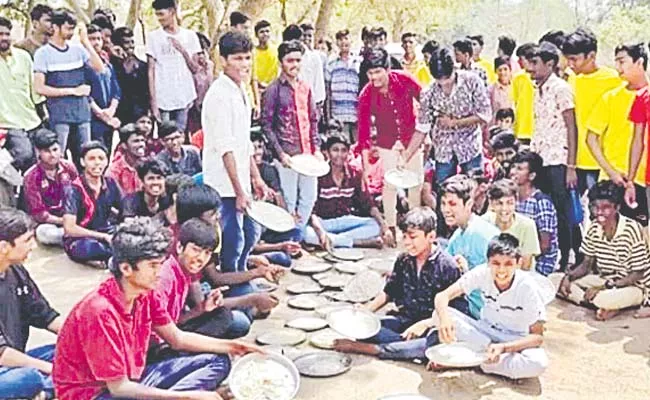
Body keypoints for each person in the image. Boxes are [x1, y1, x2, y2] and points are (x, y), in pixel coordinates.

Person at [52, 217, 261, 400]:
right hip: (96, 394)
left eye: (160, 264)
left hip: (132, 376)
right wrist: (185, 396)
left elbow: (177, 338)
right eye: (153, 266)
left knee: (218, 360)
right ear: (126, 268)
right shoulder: (99, 311)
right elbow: (118, 388)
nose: (159, 272)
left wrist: (235, 347)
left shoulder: (145, 293)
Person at [333, 207, 467, 358]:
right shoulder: (404, 260)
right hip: (405, 319)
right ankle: (397, 345)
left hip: (432, 327)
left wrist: (426, 324)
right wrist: (367, 310)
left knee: (430, 345)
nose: (407, 242)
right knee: (366, 326)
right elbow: (389, 292)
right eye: (404, 237)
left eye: (413, 237)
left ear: (431, 236)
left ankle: (368, 348)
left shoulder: (447, 266)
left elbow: (458, 312)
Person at [428, 233, 549, 380]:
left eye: (508, 264)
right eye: (496, 263)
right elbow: (442, 296)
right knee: (438, 315)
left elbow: (537, 337)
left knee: (538, 363)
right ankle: (487, 360)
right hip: (484, 333)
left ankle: (473, 361)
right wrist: (445, 321)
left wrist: (504, 348)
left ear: (518, 263)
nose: (501, 270)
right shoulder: (482, 273)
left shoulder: (527, 287)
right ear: (488, 262)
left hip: (514, 340)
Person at [202, 31, 271, 275]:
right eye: (238, 59)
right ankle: (233, 284)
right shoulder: (219, 95)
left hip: (241, 180)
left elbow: (244, 144)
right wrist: (239, 191)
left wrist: (256, 178)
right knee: (233, 239)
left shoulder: (241, 90)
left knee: (251, 233)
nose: (244, 64)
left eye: (247, 58)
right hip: (223, 184)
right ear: (223, 60)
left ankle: (242, 276)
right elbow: (226, 149)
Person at [151, 218, 249, 364]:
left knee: (224, 315)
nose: (201, 258)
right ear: (179, 247)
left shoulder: (184, 272)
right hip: (158, 344)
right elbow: (158, 331)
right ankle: (175, 358)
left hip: (171, 330)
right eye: (196, 250)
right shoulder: (165, 277)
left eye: (207, 253)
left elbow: (174, 319)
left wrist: (202, 308)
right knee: (220, 359)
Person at [553, 180, 650, 320]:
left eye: (606, 207)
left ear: (617, 208)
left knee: (603, 298)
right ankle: (603, 306)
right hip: (605, 279)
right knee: (555, 280)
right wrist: (569, 277)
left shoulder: (631, 229)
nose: (599, 212)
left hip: (633, 286)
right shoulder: (594, 227)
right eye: (595, 207)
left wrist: (607, 287)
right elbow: (586, 265)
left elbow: (638, 274)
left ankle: (601, 303)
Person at [357, 48, 423, 236]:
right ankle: (391, 226)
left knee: (415, 183)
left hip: (412, 140)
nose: (374, 77)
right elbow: (363, 132)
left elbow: (425, 101)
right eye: (370, 73)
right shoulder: (366, 94)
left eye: (378, 72)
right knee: (389, 185)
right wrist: (365, 164)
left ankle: (415, 226)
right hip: (387, 143)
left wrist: (426, 134)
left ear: (387, 69)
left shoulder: (405, 79)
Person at [526, 41, 579, 272]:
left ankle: (570, 258)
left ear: (550, 64)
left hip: (558, 160)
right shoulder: (538, 88)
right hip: (541, 159)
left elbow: (571, 127)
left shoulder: (561, 88)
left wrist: (571, 166)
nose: (530, 68)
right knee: (546, 210)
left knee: (563, 212)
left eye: (535, 63)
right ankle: (553, 257)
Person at [0, 208, 63, 400]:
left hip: (15, 362)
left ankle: (44, 392)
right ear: (4, 246)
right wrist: (52, 370)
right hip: (7, 369)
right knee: (30, 378)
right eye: (27, 240)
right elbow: (1, 354)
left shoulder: (16, 271)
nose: (34, 246)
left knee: (68, 350)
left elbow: (45, 315)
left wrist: (82, 337)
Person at [33, 8, 105, 168]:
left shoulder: (78, 50)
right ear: (56, 28)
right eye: (68, 28)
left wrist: (86, 42)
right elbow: (39, 87)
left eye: (73, 28)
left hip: (82, 114)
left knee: (86, 156)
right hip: (60, 115)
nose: (71, 32)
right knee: (58, 157)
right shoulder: (43, 54)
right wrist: (72, 91)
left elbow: (100, 68)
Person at [262, 40, 322, 231]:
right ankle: (290, 236)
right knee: (289, 198)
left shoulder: (306, 87)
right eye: (290, 60)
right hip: (287, 154)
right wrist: (281, 154)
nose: (294, 65)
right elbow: (267, 125)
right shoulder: (273, 90)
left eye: (297, 60)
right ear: (281, 62)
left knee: (309, 196)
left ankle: (298, 233)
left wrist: (317, 148)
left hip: (308, 153)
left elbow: (313, 120)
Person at [587, 43, 648, 224]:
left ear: (640, 62)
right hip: (612, 180)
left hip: (642, 179)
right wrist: (611, 171)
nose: (618, 68)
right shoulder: (611, 97)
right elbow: (591, 138)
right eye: (616, 62)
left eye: (622, 62)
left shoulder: (645, 96)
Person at [305, 136, 394, 249]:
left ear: (348, 153)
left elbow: (368, 203)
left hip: (345, 220)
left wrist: (384, 226)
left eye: (343, 150)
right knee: (306, 234)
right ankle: (358, 242)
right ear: (327, 153)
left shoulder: (355, 174)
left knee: (375, 226)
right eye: (335, 150)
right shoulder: (319, 175)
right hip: (324, 222)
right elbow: (311, 211)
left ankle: (334, 240)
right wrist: (320, 232)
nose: (340, 155)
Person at [417, 47, 491, 183]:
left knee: (475, 188)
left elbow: (485, 115)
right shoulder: (428, 92)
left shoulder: (472, 81)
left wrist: (456, 123)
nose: (444, 83)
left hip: (470, 146)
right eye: (440, 80)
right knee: (445, 190)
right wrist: (407, 156)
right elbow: (422, 127)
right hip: (443, 150)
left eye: (448, 78)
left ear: (454, 68)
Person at [563, 29, 622, 195]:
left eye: (574, 59)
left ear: (591, 56)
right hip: (577, 161)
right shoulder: (572, 79)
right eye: (568, 59)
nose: (570, 64)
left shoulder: (614, 80)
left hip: (604, 163)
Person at [441, 174, 500, 318]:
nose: (446, 210)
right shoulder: (457, 235)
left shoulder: (484, 234)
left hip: (488, 315)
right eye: (443, 203)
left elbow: (502, 278)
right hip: (467, 306)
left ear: (468, 204)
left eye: (452, 204)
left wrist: (468, 272)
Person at [63, 141, 121, 269]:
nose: (97, 163)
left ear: (107, 161)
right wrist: (103, 237)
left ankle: (110, 257)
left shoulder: (110, 183)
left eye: (101, 158)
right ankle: (113, 257)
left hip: (107, 231)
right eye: (91, 159)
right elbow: (69, 228)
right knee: (88, 248)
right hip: (82, 238)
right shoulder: (73, 189)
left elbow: (125, 211)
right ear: (83, 162)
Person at [147, 0, 201, 132]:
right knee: (165, 137)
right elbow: (151, 71)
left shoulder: (190, 36)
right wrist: (153, 103)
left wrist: (182, 50)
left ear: (172, 12)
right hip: (163, 98)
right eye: (157, 15)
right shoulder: (153, 37)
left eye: (161, 14)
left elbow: (195, 69)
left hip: (184, 96)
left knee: (179, 136)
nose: (159, 19)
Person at [0, 16, 41, 179]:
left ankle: (24, 203)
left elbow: (34, 92)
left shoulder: (23, 57)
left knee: (34, 167)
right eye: (0, 34)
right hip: (7, 122)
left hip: (31, 120)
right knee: (23, 153)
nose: (4, 37)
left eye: (6, 33)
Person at [22, 129, 78, 246]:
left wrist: (73, 219)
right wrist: (65, 221)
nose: (53, 155)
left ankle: (76, 235)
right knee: (46, 235)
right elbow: (40, 214)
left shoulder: (69, 167)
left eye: (55, 150)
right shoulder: (30, 176)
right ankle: (76, 237)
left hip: (72, 216)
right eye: (47, 151)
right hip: (49, 222)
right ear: (38, 153)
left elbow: (80, 194)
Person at [510, 150, 560, 275]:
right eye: (513, 167)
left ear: (532, 176)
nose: (513, 172)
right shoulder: (511, 199)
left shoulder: (541, 202)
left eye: (519, 169)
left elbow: (544, 245)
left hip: (539, 262)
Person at [483, 179, 541, 270]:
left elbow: (526, 266)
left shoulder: (527, 225)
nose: (504, 209)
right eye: (499, 203)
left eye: (509, 203)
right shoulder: (484, 223)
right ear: (491, 203)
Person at [87, 24, 121, 155]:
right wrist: (102, 114)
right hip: (93, 118)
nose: (96, 43)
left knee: (106, 153)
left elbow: (116, 91)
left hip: (108, 115)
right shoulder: (83, 64)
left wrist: (111, 110)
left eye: (98, 39)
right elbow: (86, 95)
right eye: (92, 39)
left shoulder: (108, 64)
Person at [326, 29, 361, 143]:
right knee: (341, 149)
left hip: (357, 115)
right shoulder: (331, 64)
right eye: (340, 39)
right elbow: (327, 92)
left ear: (351, 41)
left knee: (358, 150)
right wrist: (328, 117)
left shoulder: (359, 63)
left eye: (346, 38)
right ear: (337, 43)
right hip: (338, 116)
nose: (343, 42)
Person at [111, 27, 150, 125]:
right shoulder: (112, 66)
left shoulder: (142, 65)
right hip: (121, 112)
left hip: (141, 112)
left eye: (132, 42)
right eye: (126, 42)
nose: (131, 46)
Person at [282, 24, 326, 105]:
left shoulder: (314, 58)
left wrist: (316, 106)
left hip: (309, 104)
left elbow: (319, 86)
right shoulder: (284, 58)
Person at [106, 124, 146, 195]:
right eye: (136, 141)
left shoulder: (148, 165)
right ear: (124, 145)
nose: (141, 144)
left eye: (142, 140)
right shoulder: (115, 171)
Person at [512, 43, 536, 144]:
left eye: (521, 59)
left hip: (535, 128)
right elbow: (515, 101)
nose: (518, 62)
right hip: (521, 128)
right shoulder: (518, 78)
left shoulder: (541, 77)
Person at [253, 20, 279, 91]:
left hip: (274, 88)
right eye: (262, 32)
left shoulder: (276, 50)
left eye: (267, 31)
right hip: (257, 88)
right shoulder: (253, 52)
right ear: (256, 35)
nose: (265, 34)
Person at [488, 56, 514, 122]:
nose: (502, 73)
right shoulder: (491, 89)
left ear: (510, 70)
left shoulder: (516, 87)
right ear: (495, 71)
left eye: (505, 69)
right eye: (500, 70)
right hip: (496, 126)